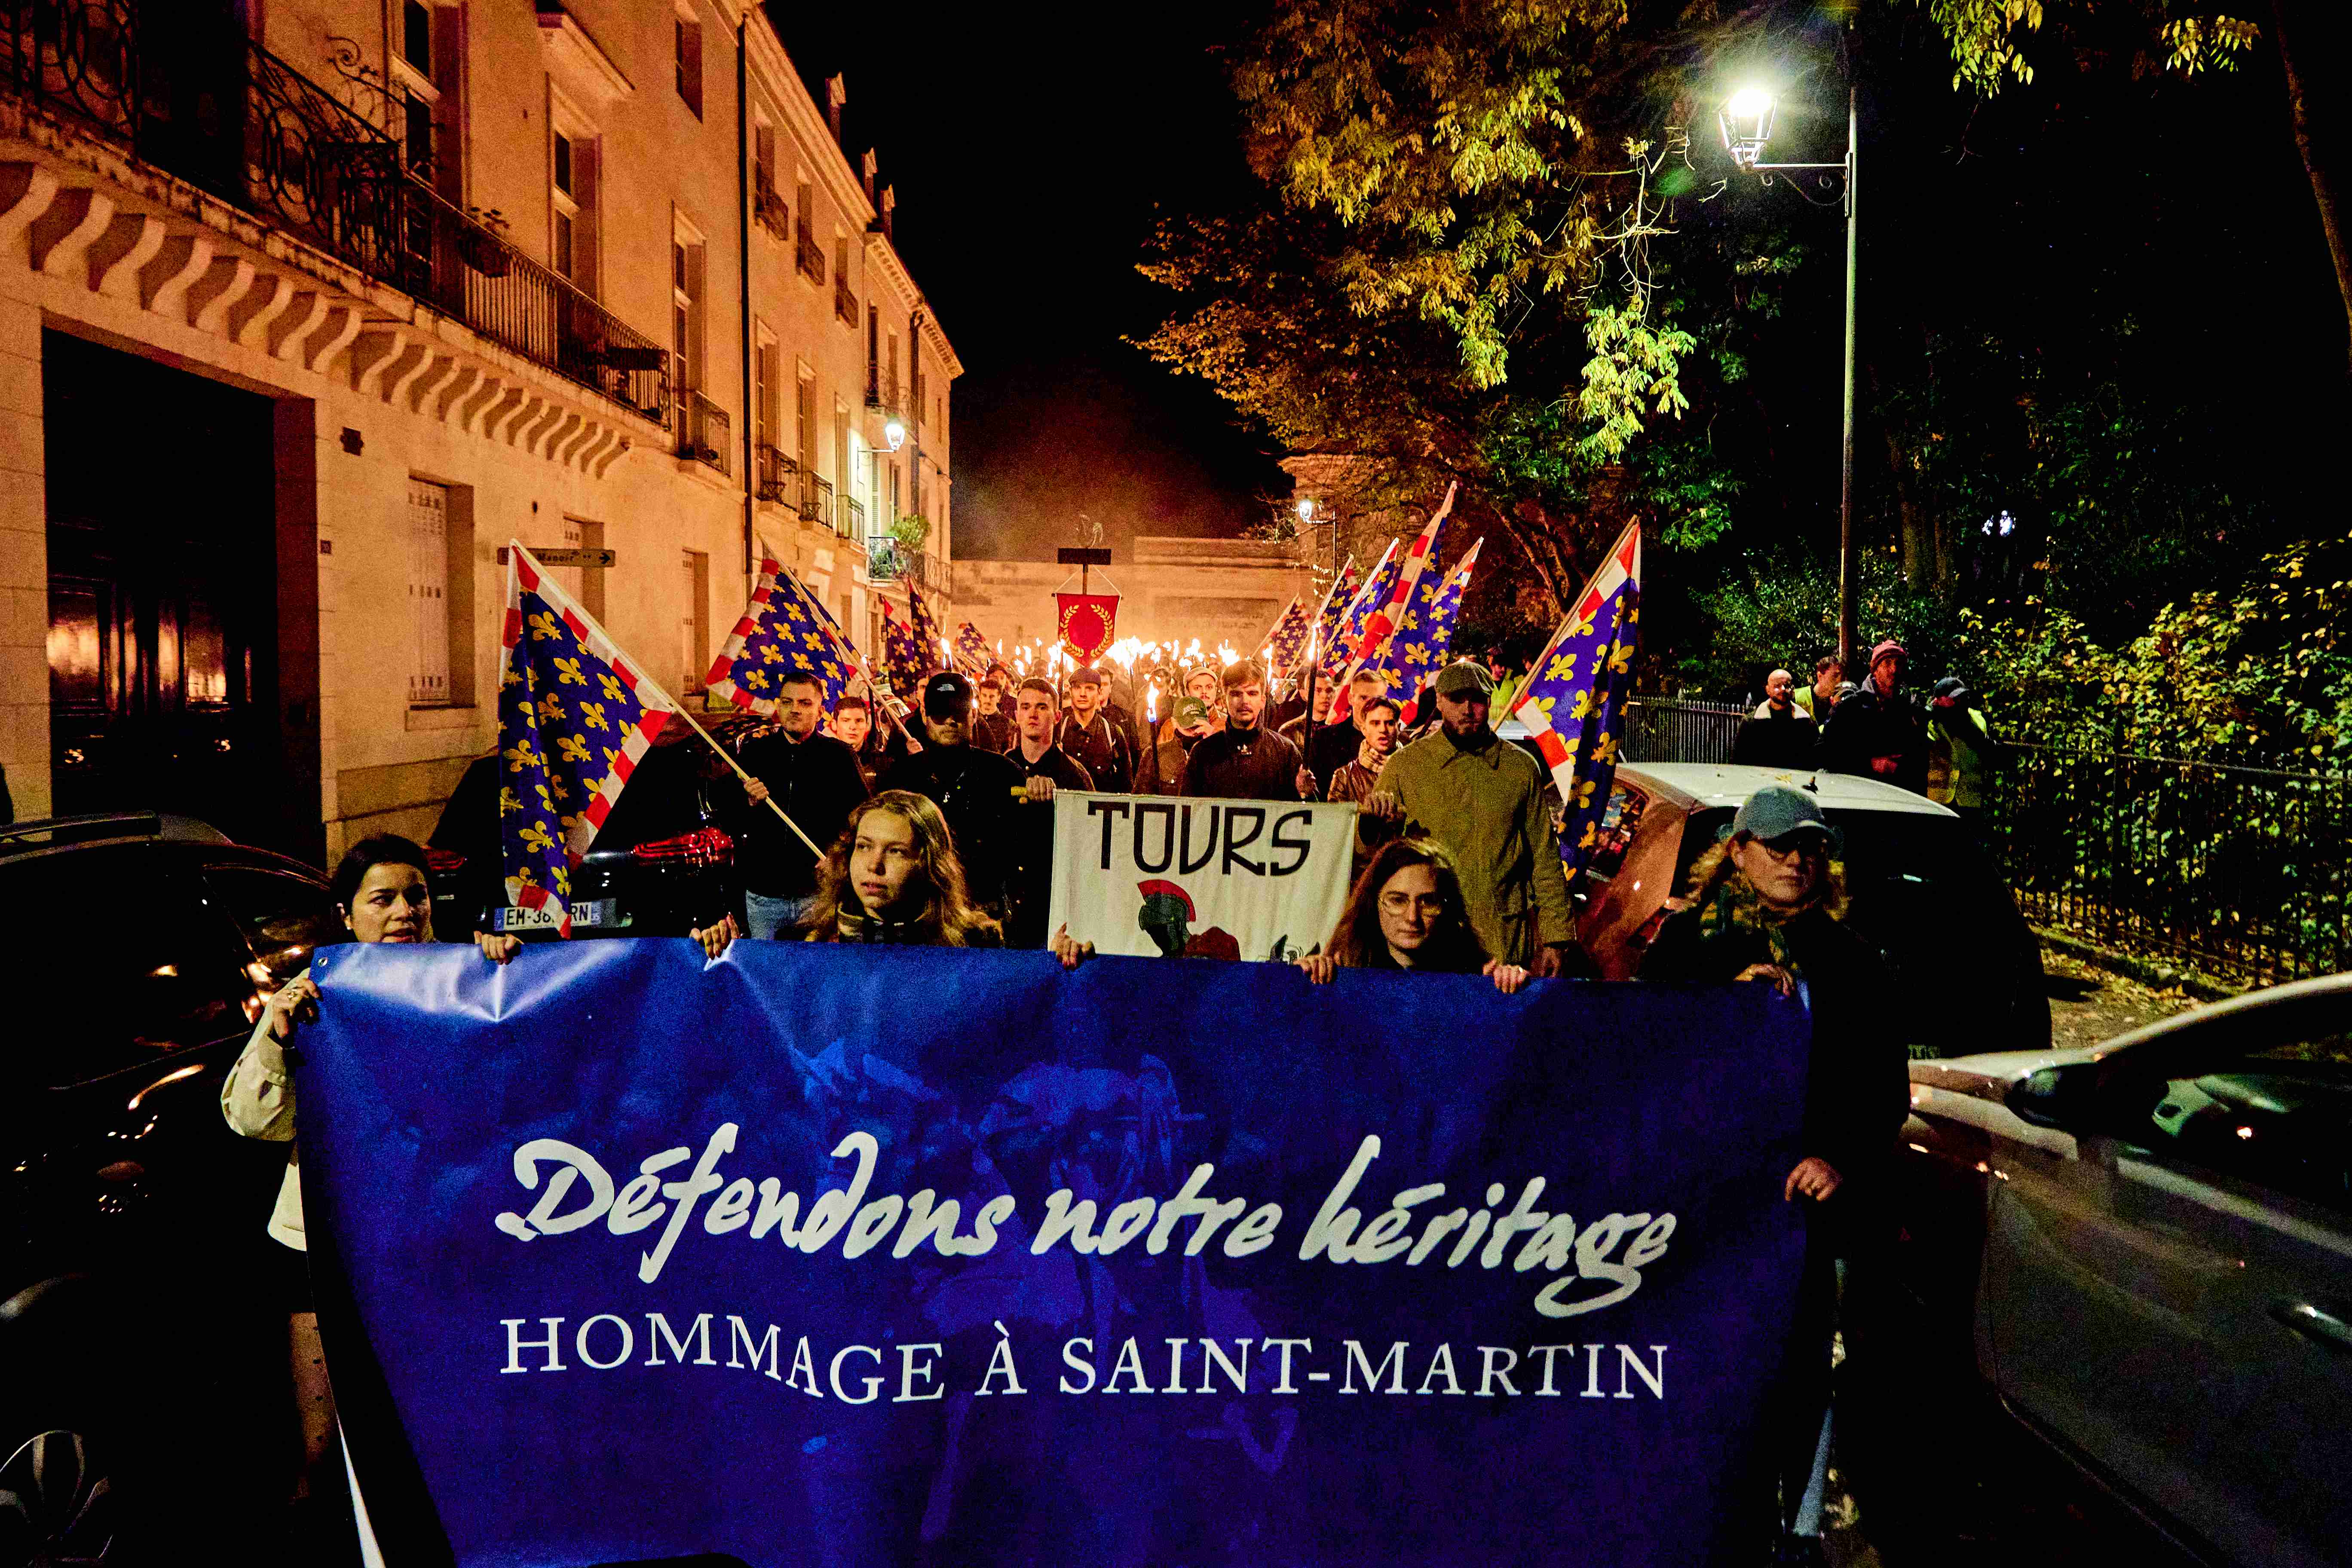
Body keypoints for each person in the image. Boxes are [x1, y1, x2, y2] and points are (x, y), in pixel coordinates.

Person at [1634, 785, 1908, 1561]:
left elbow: (1882, 1083)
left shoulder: (1851, 959)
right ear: (1739, 850)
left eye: (1810, 849)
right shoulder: (1687, 941)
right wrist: (1722, 1007)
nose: (1796, 860)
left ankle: (1794, 1524)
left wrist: (1840, 1159)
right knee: (1701, 1362)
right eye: (1780, 845)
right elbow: (1639, 1055)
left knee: (1796, 1371)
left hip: (1800, 1219)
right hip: (1704, 1208)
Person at [224, 836, 518, 1555]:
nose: (402, 912)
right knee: (326, 1446)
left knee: (437, 1430)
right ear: (347, 913)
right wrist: (279, 1034)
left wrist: (505, 976)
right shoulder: (321, 998)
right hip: (326, 1245)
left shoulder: (471, 978)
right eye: (381, 898)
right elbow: (252, 1117)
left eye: (414, 894)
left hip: (439, 1243)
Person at [1357, 659, 1582, 975]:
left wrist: (1556, 940)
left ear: (1489, 702)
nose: (1467, 709)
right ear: (1439, 701)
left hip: (1501, 941)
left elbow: (1544, 858)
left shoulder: (1519, 768)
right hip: (1430, 942)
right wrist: (1371, 826)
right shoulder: (1406, 766)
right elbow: (1374, 860)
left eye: (1476, 700)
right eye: (1456, 699)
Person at [730, 673, 871, 938]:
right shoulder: (754, 754)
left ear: (820, 711)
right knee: (768, 974)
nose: (795, 709)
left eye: (805, 703)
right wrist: (747, 802)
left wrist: (837, 856)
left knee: (817, 973)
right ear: (778, 706)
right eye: (787, 702)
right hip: (765, 896)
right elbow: (731, 821)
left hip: (817, 895)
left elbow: (863, 819)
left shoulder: (839, 756)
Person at [1295, 838, 1531, 993]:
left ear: (1448, 906)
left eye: (1428, 902)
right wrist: (1299, 980)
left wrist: (1508, 984)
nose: (1412, 917)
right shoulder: (1342, 971)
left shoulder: (1476, 975)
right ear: (1374, 902)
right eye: (1398, 900)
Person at [879, 671, 1026, 918]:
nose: (949, 721)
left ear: (974, 716)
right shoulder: (900, 778)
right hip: (917, 913)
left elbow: (1026, 846)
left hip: (984, 914)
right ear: (924, 715)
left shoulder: (1003, 774)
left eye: (958, 712)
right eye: (940, 712)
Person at [806, 790, 1002, 946]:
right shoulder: (810, 942)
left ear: (929, 862)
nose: (874, 866)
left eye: (895, 851)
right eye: (864, 847)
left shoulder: (976, 942)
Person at [1003, 675, 1096, 948]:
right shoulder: (1000, 769)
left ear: (1057, 716)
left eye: (1042, 707)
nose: (1033, 714)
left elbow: (1090, 844)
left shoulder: (1075, 776)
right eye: (1026, 706)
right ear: (1016, 714)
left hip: (1052, 901)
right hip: (1007, 905)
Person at [1180, 659, 1315, 800]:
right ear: (1225, 700)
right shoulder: (1203, 753)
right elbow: (1188, 813)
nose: (1245, 701)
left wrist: (1305, 793)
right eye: (1236, 694)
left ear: (1263, 701)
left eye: (1252, 693)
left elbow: (1305, 814)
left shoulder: (1285, 751)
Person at [1820, 640, 1927, 795]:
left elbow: (1921, 762)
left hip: (1901, 799)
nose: (1894, 670)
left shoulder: (1913, 711)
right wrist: (1870, 763)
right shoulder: (1850, 708)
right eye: (1887, 663)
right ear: (1875, 670)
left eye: (1899, 664)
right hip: (1860, 798)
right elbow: (1823, 753)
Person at [1326, 693, 1402, 884]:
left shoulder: (1413, 771)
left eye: (1389, 723)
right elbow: (1336, 831)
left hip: (1404, 873)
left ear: (1398, 728)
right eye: (1375, 723)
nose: (1383, 730)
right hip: (1361, 879)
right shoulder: (1345, 776)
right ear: (1364, 729)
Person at [1285, 667, 1387, 796]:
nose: (1370, 705)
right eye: (1364, 698)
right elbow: (1317, 795)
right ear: (1351, 699)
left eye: (1376, 699)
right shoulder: (1325, 739)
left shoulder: (1397, 743)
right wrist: (1306, 789)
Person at [1925, 677, 1996, 821]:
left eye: (1962, 696)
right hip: (1938, 798)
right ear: (1939, 700)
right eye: (1954, 698)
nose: (1960, 700)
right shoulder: (1930, 720)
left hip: (1970, 797)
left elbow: (1984, 748)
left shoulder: (1975, 718)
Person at [1057, 665, 1136, 793]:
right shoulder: (1057, 730)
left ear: (1099, 692)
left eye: (1089, 689)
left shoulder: (1113, 733)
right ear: (1070, 691)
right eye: (1077, 688)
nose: (1083, 694)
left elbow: (1126, 785)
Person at [1140, 677, 1220, 794]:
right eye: (1188, 726)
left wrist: (1213, 744)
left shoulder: (1221, 753)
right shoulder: (1154, 754)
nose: (1194, 732)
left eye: (1197, 726)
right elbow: (1140, 798)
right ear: (1175, 723)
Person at [1733, 668, 1821, 770]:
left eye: (1787, 686)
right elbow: (1738, 761)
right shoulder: (1751, 723)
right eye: (1777, 686)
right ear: (1768, 690)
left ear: (1793, 689)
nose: (1783, 689)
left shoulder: (1807, 723)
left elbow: (1816, 762)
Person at [1791, 656, 1843, 723]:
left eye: (1841, 678)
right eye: (1835, 676)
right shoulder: (1797, 697)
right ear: (1820, 676)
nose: (1839, 682)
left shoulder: (1838, 701)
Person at [972, 672, 1014, 754]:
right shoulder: (972, 720)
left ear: (998, 698)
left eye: (992, 697)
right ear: (980, 696)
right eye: (984, 695)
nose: (988, 700)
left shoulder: (1008, 724)